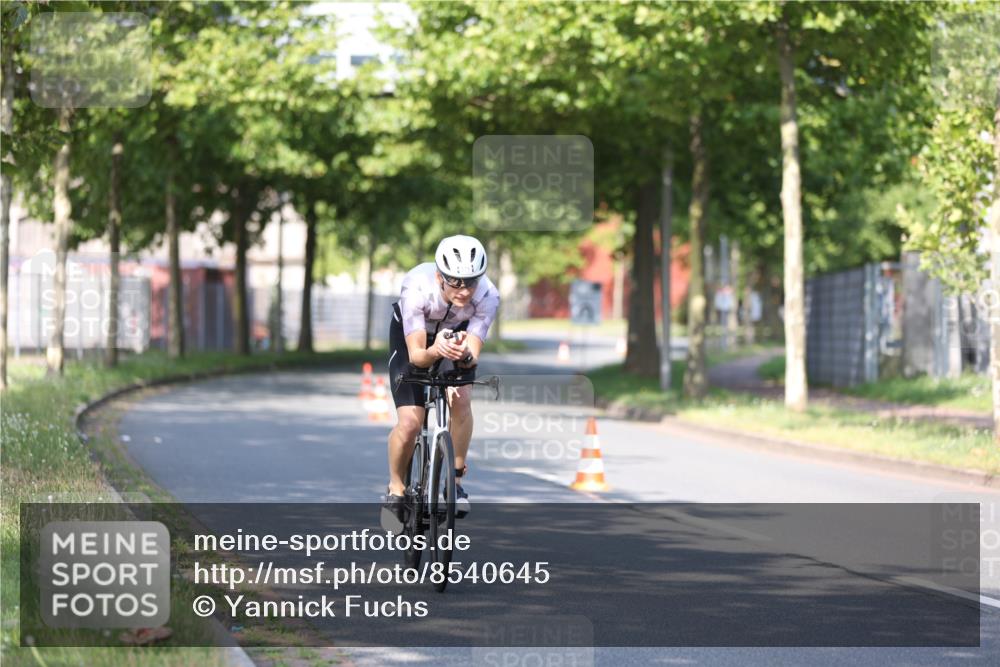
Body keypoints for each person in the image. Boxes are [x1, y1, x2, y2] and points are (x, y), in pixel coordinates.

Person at [384, 235, 500, 520]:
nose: (464, 290)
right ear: (439, 277)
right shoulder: (417, 286)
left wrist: (462, 353)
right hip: (415, 340)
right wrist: (435, 350)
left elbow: (472, 355)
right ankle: (396, 487)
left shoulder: (488, 295)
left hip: (454, 337)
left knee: (461, 398)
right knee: (410, 423)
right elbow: (417, 356)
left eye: (471, 282)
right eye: (456, 282)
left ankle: (456, 483)